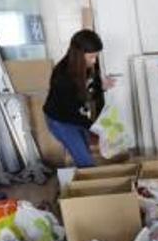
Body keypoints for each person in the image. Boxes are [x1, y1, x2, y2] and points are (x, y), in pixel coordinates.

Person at [43, 29, 115, 167]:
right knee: (85, 161)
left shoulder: (85, 66)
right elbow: (68, 112)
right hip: (60, 120)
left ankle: (85, 181)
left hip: (74, 115)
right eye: (91, 57)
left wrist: (102, 88)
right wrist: (94, 126)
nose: (94, 61)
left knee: (85, 152)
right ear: (79, 54)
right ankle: (86, 185)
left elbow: (87, 94)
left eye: (96, 56)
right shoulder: (62, 76)